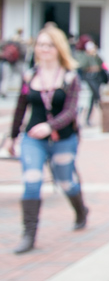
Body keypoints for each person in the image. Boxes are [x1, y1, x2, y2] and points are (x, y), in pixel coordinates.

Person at [8, 24, 89, 254]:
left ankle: (81, 210)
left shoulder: (70, 76)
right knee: (32, 180)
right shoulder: (30, 75)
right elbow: (20, 107)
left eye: (50, 45)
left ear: (59, 48)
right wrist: (11, 137)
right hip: (33, 138)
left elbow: (71, 111)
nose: (45, 49)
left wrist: (50, 126)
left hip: (63, 138)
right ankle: (29, 235)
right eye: (41, 44)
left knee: (66, 182)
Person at [74, 38, 108, 127]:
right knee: (96, 96)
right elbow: (82, 65)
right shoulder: (81, 54)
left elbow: (101, 63)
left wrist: (95, 54)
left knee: (93, 99)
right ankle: (104, 116)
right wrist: (88, 55)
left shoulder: (95, 55)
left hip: (97, 78)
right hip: (88, 78)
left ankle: (88, 119)